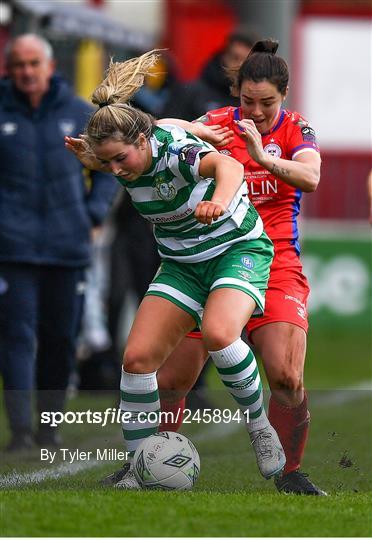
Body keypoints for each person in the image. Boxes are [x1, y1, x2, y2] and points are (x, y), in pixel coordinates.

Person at [65, 50, 286, 489]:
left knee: (221, 334)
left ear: (142, 143)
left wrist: (218, 202)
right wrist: (95, 158)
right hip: (183, 265)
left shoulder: (172, 153)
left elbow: (227, 165)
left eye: (119, 161)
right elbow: (170, 126)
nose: (114, 170)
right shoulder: (129, 147)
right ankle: (137, 468)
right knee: (136, 359)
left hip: (236, 249)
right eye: (105, 162)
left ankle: (261, 428)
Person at [156, 39, 326, 496]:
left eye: (266, 102)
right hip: (212, 259)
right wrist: (197, 133)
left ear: (284, 95)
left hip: (275, 264)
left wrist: (265, 155)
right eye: (246, 101)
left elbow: (310, 177)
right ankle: (152, 464)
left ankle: (290, 471)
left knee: (287, 376)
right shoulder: (219, 123)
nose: (255, 111)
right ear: (237, 94)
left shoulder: (296, 129)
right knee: (170, 379)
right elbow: (158, 130)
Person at [0, 34, 116, 451]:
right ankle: (20, 432)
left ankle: (49, 429)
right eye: (18, 65)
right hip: (11, 247)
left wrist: (93, 213)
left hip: (68, 247)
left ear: (49, 67)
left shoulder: (80, 113)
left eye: (34, 63)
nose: (26, 72)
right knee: (15, 336)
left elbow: (108, 166)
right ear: (9, 69)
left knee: (61, 339)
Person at [162, 27, 259, 121]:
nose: (240, 65)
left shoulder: (257, 101)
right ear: (224, 57)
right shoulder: (190, 93)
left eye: (246, 60)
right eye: (235, 58)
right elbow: (167, 130)